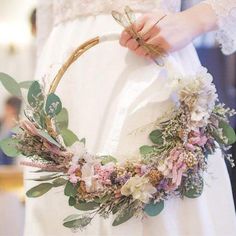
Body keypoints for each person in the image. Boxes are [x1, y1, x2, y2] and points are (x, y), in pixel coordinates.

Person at [24, 1, 236, 236]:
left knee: (150, 208)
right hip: (64, 76)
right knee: (60, 209)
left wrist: (194, 20)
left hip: (148, 54)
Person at [0, 96, 22, 165]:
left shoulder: (18, 131)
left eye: (6, 109)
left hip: (8, 168)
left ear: (11, 109)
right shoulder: (3, 123)